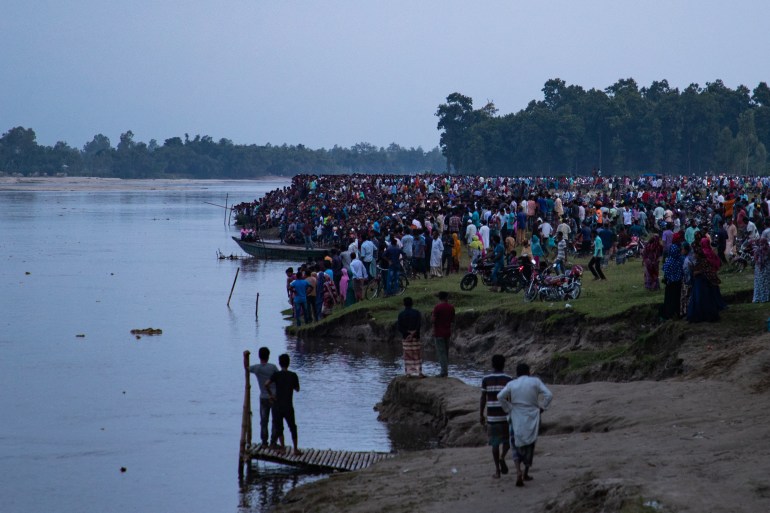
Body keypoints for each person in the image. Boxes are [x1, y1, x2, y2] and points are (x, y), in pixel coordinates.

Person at [497, 362, 553, 487]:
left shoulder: (512, 384)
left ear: (517, 373)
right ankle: (526, 473)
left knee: (515, 444)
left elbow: (500, 396)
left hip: (516, 416)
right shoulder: (535, 381)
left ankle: (518, 471)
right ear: (529, 372)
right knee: (530, 445)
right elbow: (549, 395)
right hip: (532, 415)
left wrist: (509, 408)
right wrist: (542, 407)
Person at [480, 354, 513, 479]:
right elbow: (511, 399)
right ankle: (502, 457)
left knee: (494, 443)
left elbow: (483, 398)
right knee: (507, 441)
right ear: (504, 364)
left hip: (492, 417)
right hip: (505, 416)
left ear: (492, 364)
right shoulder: (509, 379)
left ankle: (497, 471)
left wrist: (481, 414)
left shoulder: (486, 379)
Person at [264, 353, 301, 454]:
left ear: (280, 364)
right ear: (289, 363)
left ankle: (283, 448)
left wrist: (271, 395)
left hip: (277, 405)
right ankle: (296, 449)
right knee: (292, 427)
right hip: (288, 405)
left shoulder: (276, 375)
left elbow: (266, 384)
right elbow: (297, 389)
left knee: (279, 427)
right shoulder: (293, 375)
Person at [249, 347, 278, 448]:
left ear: (259, 356)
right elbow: (278, 378)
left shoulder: (257, 368)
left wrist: (245, 357)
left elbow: (246, 368)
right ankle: (273, 442)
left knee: (264, 420)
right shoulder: (273, 367)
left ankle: (264, 442)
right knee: (275, 420)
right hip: (274, 397)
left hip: (263, 397)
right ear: (268, 356)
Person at [397, 297, 423, 377]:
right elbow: (419, 324)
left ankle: (408, 373)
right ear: (412, 303)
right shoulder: (417, 313)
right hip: (415, 336)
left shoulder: (401, 314)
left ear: (404, 304)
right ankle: (419, 372)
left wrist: (407, 333)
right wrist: (413, 332)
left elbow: (399, 327)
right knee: (417, 354)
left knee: (407, 355)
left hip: (406, 337)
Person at [660, 233, 684, 320]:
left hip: (670, 284)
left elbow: (665, 272)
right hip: (678, 283)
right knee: (677, 299)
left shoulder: (669, 261)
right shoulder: (681, 260)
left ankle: (668, 315)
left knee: (669, 300)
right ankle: (677, 314)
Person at [431, 291, 455, 377]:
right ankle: (445, 370)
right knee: (446, 352)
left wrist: (433, 330)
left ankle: (444, 372)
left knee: (441, 353)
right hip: (447, 332)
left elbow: (433, 320)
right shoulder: (451, 307)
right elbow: (452, 320)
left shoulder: (437, 307)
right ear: (446, 297)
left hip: (439, 333)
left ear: (439, 298)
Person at [752, 238, 770, 303]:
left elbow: (755, 260)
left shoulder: (758, 250)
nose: (762, 245)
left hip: (762, 271)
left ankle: (762, 298)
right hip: (763, 271)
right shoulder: (760, 250)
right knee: (764, 285)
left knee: (762, 284)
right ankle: (764, 298)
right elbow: (756, 259)